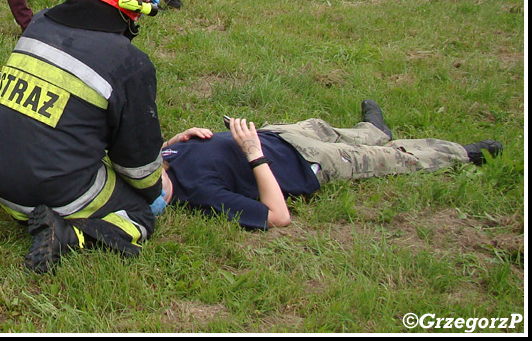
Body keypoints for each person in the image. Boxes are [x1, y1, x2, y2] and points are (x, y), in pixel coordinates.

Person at [0, 0, 168, 274]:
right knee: (139, 216)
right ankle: (69, 235)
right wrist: (153, 192)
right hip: (40, 186)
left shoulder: (41, 23)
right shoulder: (130, 63)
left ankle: (41, 211)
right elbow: (137, 163)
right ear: (132, 6)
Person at [160, 100, 504, 230]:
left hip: (281, 136)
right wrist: (253, 154)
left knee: (326, 128)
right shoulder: (202, 195)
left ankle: (373, 130)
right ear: (162, 201)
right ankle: (462, 153)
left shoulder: (162, 162)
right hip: (309, 164)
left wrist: (178, 138)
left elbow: (160, 158)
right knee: (393, 159)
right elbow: (278, 217)